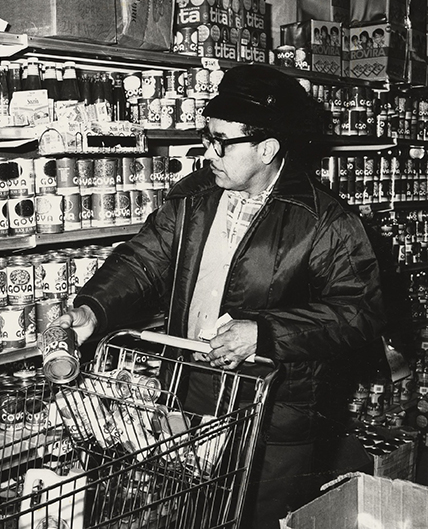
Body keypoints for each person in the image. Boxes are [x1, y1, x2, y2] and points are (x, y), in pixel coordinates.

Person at [54, 64, 385, 528]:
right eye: (206, 136)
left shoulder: (325, 220)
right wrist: (94, 308)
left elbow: (359, 313)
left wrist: (266, 333)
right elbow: (141, 260)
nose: (207, 151)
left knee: (261, 520)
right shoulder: (193, 197)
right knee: (196, 515)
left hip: (275, 416)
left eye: (222, 141)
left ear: (266, 148)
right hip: (190, 397)